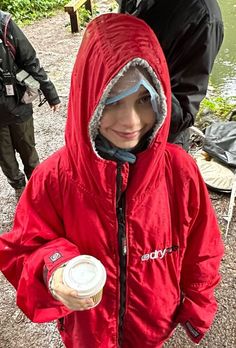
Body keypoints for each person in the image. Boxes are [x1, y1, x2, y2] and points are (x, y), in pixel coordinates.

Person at [0, 13, 224, 348]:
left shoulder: (180, 172)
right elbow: (23, 251)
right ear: (88, 97)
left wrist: (197, 305)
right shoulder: (53, 178)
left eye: (144, 100)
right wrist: (55, 269)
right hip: (86, 332)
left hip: (152, 329)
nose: (131, 121)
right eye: (112, 102)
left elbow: (203, 250)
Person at [117, 0, 224, 149]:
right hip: (117, 128)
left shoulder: (203, 16)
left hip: (158, 144)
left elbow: (182, 115)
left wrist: (141, 69)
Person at [0, 10, 60, 193]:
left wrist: (51, 94)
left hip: (18, 103)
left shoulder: (5, 24)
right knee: (6, 159)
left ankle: (37, 191)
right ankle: (20, 189)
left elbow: (29, 60)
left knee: (28, 152)